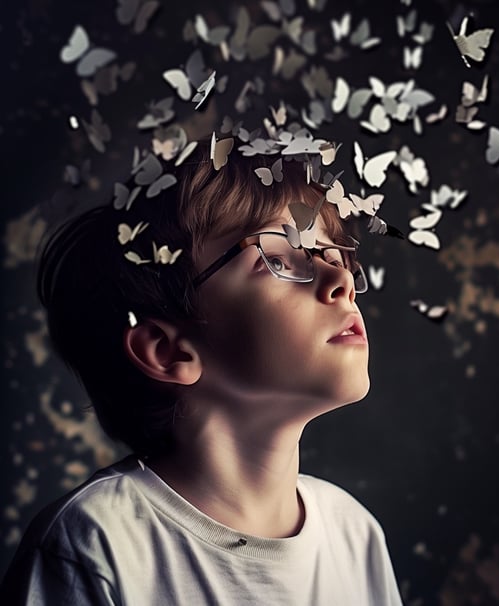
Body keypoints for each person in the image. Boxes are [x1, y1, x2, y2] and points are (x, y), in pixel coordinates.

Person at [0, 138, 403, 605]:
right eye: (277, 258)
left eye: (336, 255)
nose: (342, 280)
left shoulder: (353, 535)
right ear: (169, 351)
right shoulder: (95, 544)